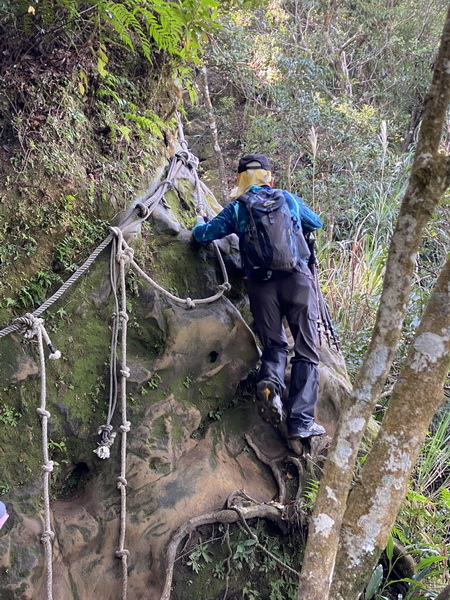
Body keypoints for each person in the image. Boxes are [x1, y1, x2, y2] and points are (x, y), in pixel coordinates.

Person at [192, 153, 325, 439]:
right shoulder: (286, 198)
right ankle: (301, 422)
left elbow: (203, 235)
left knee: (275, 345)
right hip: (297, 281)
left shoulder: (237, 207)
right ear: (269, 177)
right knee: (306, 349)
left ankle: (270, 384)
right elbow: (316, 223)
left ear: (239, 179)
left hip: (262, 286)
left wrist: (197, 222)